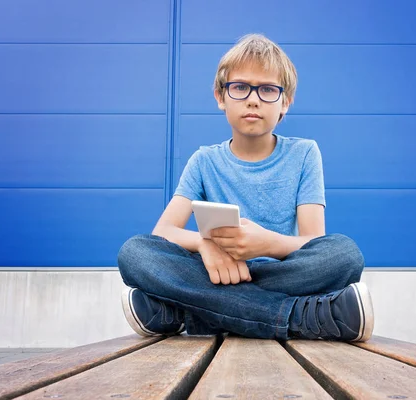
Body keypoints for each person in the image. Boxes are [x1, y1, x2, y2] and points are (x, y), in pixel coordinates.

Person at [117, 33, 374, 342]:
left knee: (345, 255)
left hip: (280, 274)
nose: (253, 99)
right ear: (220, 96)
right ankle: (303, 315)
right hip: (216, 274)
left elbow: (313, 242)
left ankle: (191, 314)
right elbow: (164, 232)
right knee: (135, 253)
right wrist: (204, 244)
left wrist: (266, 244)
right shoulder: (204, 160)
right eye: (240, 87)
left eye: (267, 89)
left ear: (286, 102)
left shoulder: (305, 153)